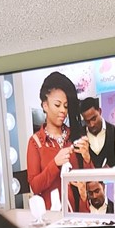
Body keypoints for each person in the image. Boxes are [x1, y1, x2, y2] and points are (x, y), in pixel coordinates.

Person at [26, 71, 92, 200]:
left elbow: (91, 181)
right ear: (45, 105)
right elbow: (35, 186)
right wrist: (55, 164)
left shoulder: (75, 136)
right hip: (52, 216)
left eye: (66, 106)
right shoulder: (35, 142)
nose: (63, 110)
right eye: (57, 105)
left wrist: (87, 158)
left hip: (79, 215)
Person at [79, 97, 115, 168]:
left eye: (94, 119)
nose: (91, 124)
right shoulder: (80, 137)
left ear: (99, 111)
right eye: (87, 121)